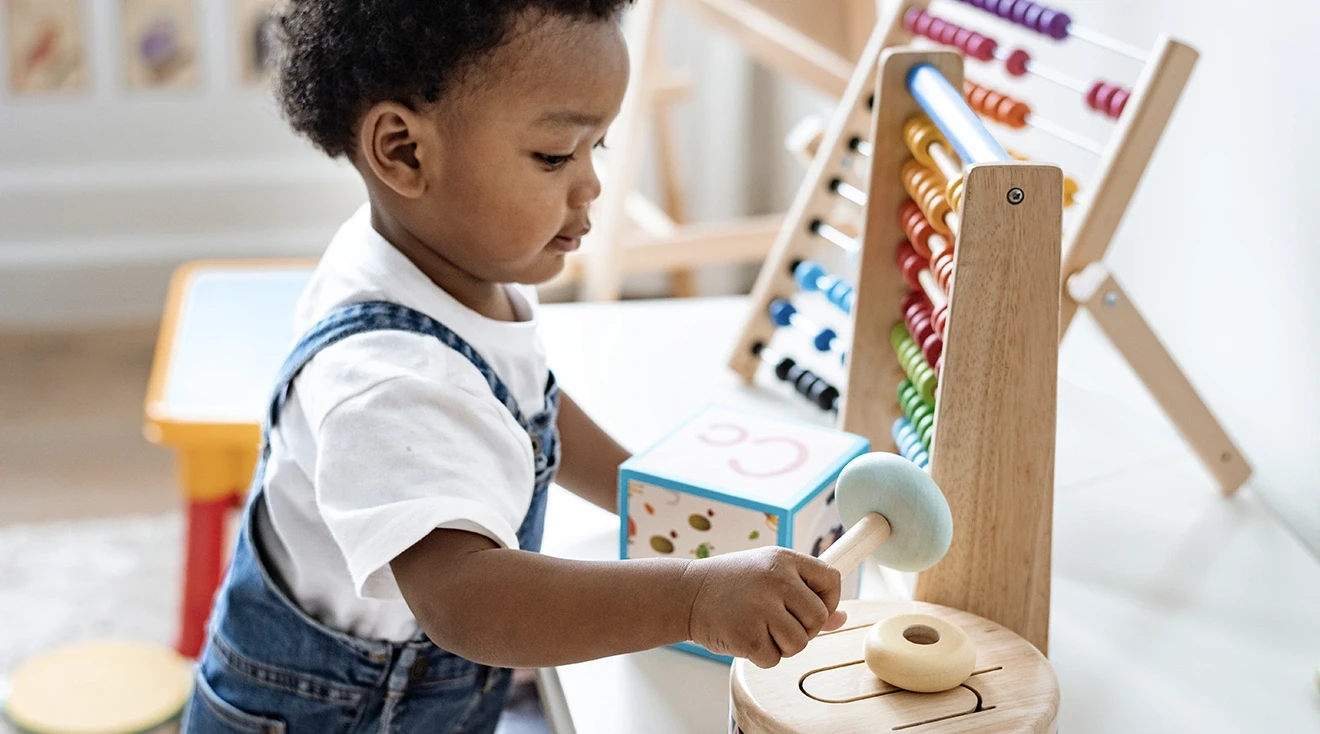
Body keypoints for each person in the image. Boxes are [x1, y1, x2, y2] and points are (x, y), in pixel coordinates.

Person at [182, 2, 845, 731]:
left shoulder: (456, 265)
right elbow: (468, 599)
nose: (591, 184)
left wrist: (650, 494)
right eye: (556, 154)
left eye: (600, 146)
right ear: (403, 152)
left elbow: (531, 407)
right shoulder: (386, 379)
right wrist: (689, 598)